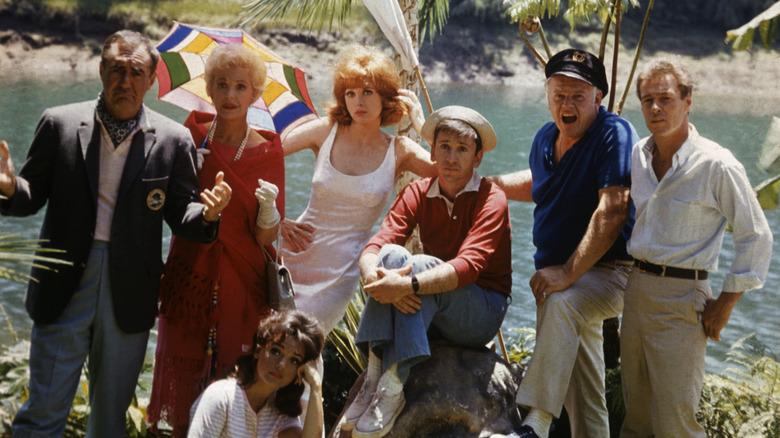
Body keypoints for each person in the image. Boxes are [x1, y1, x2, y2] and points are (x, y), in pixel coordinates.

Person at [0, 30, 232, 438]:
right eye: (116, 70)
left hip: (130, 289)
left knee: (110, 420)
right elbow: (30, 196)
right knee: (42, 413)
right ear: (101, 70)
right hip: (63, 282)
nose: (124, 81)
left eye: (136, 72)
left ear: (151, 79)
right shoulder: (60, 122)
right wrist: (7, 187)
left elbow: (182, 215)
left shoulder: (173, 140)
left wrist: (209, 215)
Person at [620, 59, 772, 437]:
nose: (656, 108)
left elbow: (756, 236)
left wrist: (727, 302)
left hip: (683, 300)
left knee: (676, 422)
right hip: (636, 291)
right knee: (635, 419)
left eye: (666, 99)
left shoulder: (716, 164)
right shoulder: (639, 155)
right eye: (648, 99)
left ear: (687, 102)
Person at [340, 105, 512, 438]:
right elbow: (379, 243)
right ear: (432, 152)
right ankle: (375, 374)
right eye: (444, 146)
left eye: (462, 149)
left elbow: (468, 267)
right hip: (433, 301)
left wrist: (409, 285)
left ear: (477, 158)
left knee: (416, 264)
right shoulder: (418, 192)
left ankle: (394, 384)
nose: (451, 157)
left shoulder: (492, 199)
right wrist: (373, 277)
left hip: (481, 310)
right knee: (390, 254)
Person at [492, 49, 638, 438]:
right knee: (582, 390)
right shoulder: (545, 137)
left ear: (598, 97)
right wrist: (490, 187)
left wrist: (566, 273)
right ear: (547, 95)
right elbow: (539, 184)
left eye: (577, 95)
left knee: (561, 302)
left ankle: (535, 423)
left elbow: (614, 209)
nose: (566, 104)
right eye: (559, 94)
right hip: (564, 278)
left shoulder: (614, 133)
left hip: (611, 274)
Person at [147, 44, 285, 435]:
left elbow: (265, 238)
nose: (230, 96)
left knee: (233, 371)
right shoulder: (187, 137)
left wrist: (268, 209)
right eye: (221, 84)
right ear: (207, 88)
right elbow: (167, 206)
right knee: (184, 364)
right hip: (189, 275)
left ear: (256, 94)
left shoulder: (269, 153)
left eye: (241, 87)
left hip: (243, 283)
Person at [279, 45, 436, 336]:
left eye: (367, 92)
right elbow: (261, 156)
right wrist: (274, 218)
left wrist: (423, 126)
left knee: (305, 341)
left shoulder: (398, 150)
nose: (358, 101)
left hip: (343, 270)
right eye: (350, 93)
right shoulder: (325, 130)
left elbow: (451, 171)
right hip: (294, 255)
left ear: (386, 97)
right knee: (274, 344)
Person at [188, 309, 326, 438]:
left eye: (294, 360)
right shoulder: (221, 397)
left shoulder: (280, 413)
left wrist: (316, 385)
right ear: (258, 350)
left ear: (299, 372)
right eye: (276, 351)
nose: (282, 364)